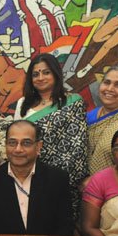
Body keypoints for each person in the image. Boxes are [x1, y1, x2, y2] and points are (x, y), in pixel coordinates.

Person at [15, 54, 88, 220]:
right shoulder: (23, 104)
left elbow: (79, 144)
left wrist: (62, 177)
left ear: (56, 74)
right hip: (28, 175)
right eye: (35, 74)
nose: (40, 78)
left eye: (46, 72)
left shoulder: (72, 102)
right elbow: (17, 138)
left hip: (63, 178)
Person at [0, 120, 74, 236]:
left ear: (38, 146)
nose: (18, 149)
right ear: (5, 145)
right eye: (12, 143)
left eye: (26, 143)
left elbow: (65, 228)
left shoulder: (57, 179)